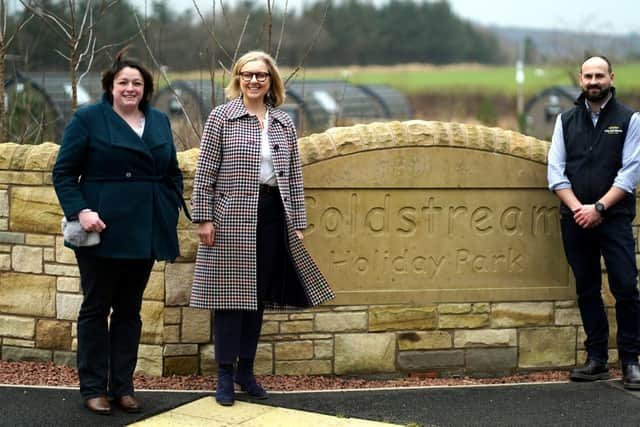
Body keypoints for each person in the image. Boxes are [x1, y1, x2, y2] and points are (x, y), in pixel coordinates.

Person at [190, 50, 334, 406]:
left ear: (272, 82)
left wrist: (297, 222)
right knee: (229, 298)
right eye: (247, 74)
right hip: (230, 218)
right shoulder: (221, 118)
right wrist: (203, 218)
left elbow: (295, 177)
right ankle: (224, 374)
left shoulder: (284, 122)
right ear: (237, 78)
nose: (254, 81)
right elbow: (205, 172)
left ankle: (246, 372)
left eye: (261, 76)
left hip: (272, 215)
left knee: (256, 298)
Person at [52, 49, 185, 415]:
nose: (130, 88)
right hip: (102, 229)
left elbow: (172, 171)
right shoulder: (88, 119)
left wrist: (168, 204)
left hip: (145, 229)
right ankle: (93, 387)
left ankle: (122, 386)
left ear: (146, 89)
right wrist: (82, 211)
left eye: (137, 83)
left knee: (130, 310)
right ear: (110, 86)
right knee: (96, 308)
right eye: (123, 82)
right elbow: (63, 173)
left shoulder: (158, 121)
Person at [547, 55, 640, 389]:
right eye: (588, 76)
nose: (593, 81)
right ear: (580, 79)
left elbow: (630, 173)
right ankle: (597, 359)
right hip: (575, 220)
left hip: (613, 218)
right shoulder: (565, 120)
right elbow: (555, 172)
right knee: (587, 290)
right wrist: (579, 209)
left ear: (611, 78)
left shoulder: (630, 120)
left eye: (600, 75)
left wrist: (599, 207)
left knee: (626, 288)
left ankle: (631, 361)